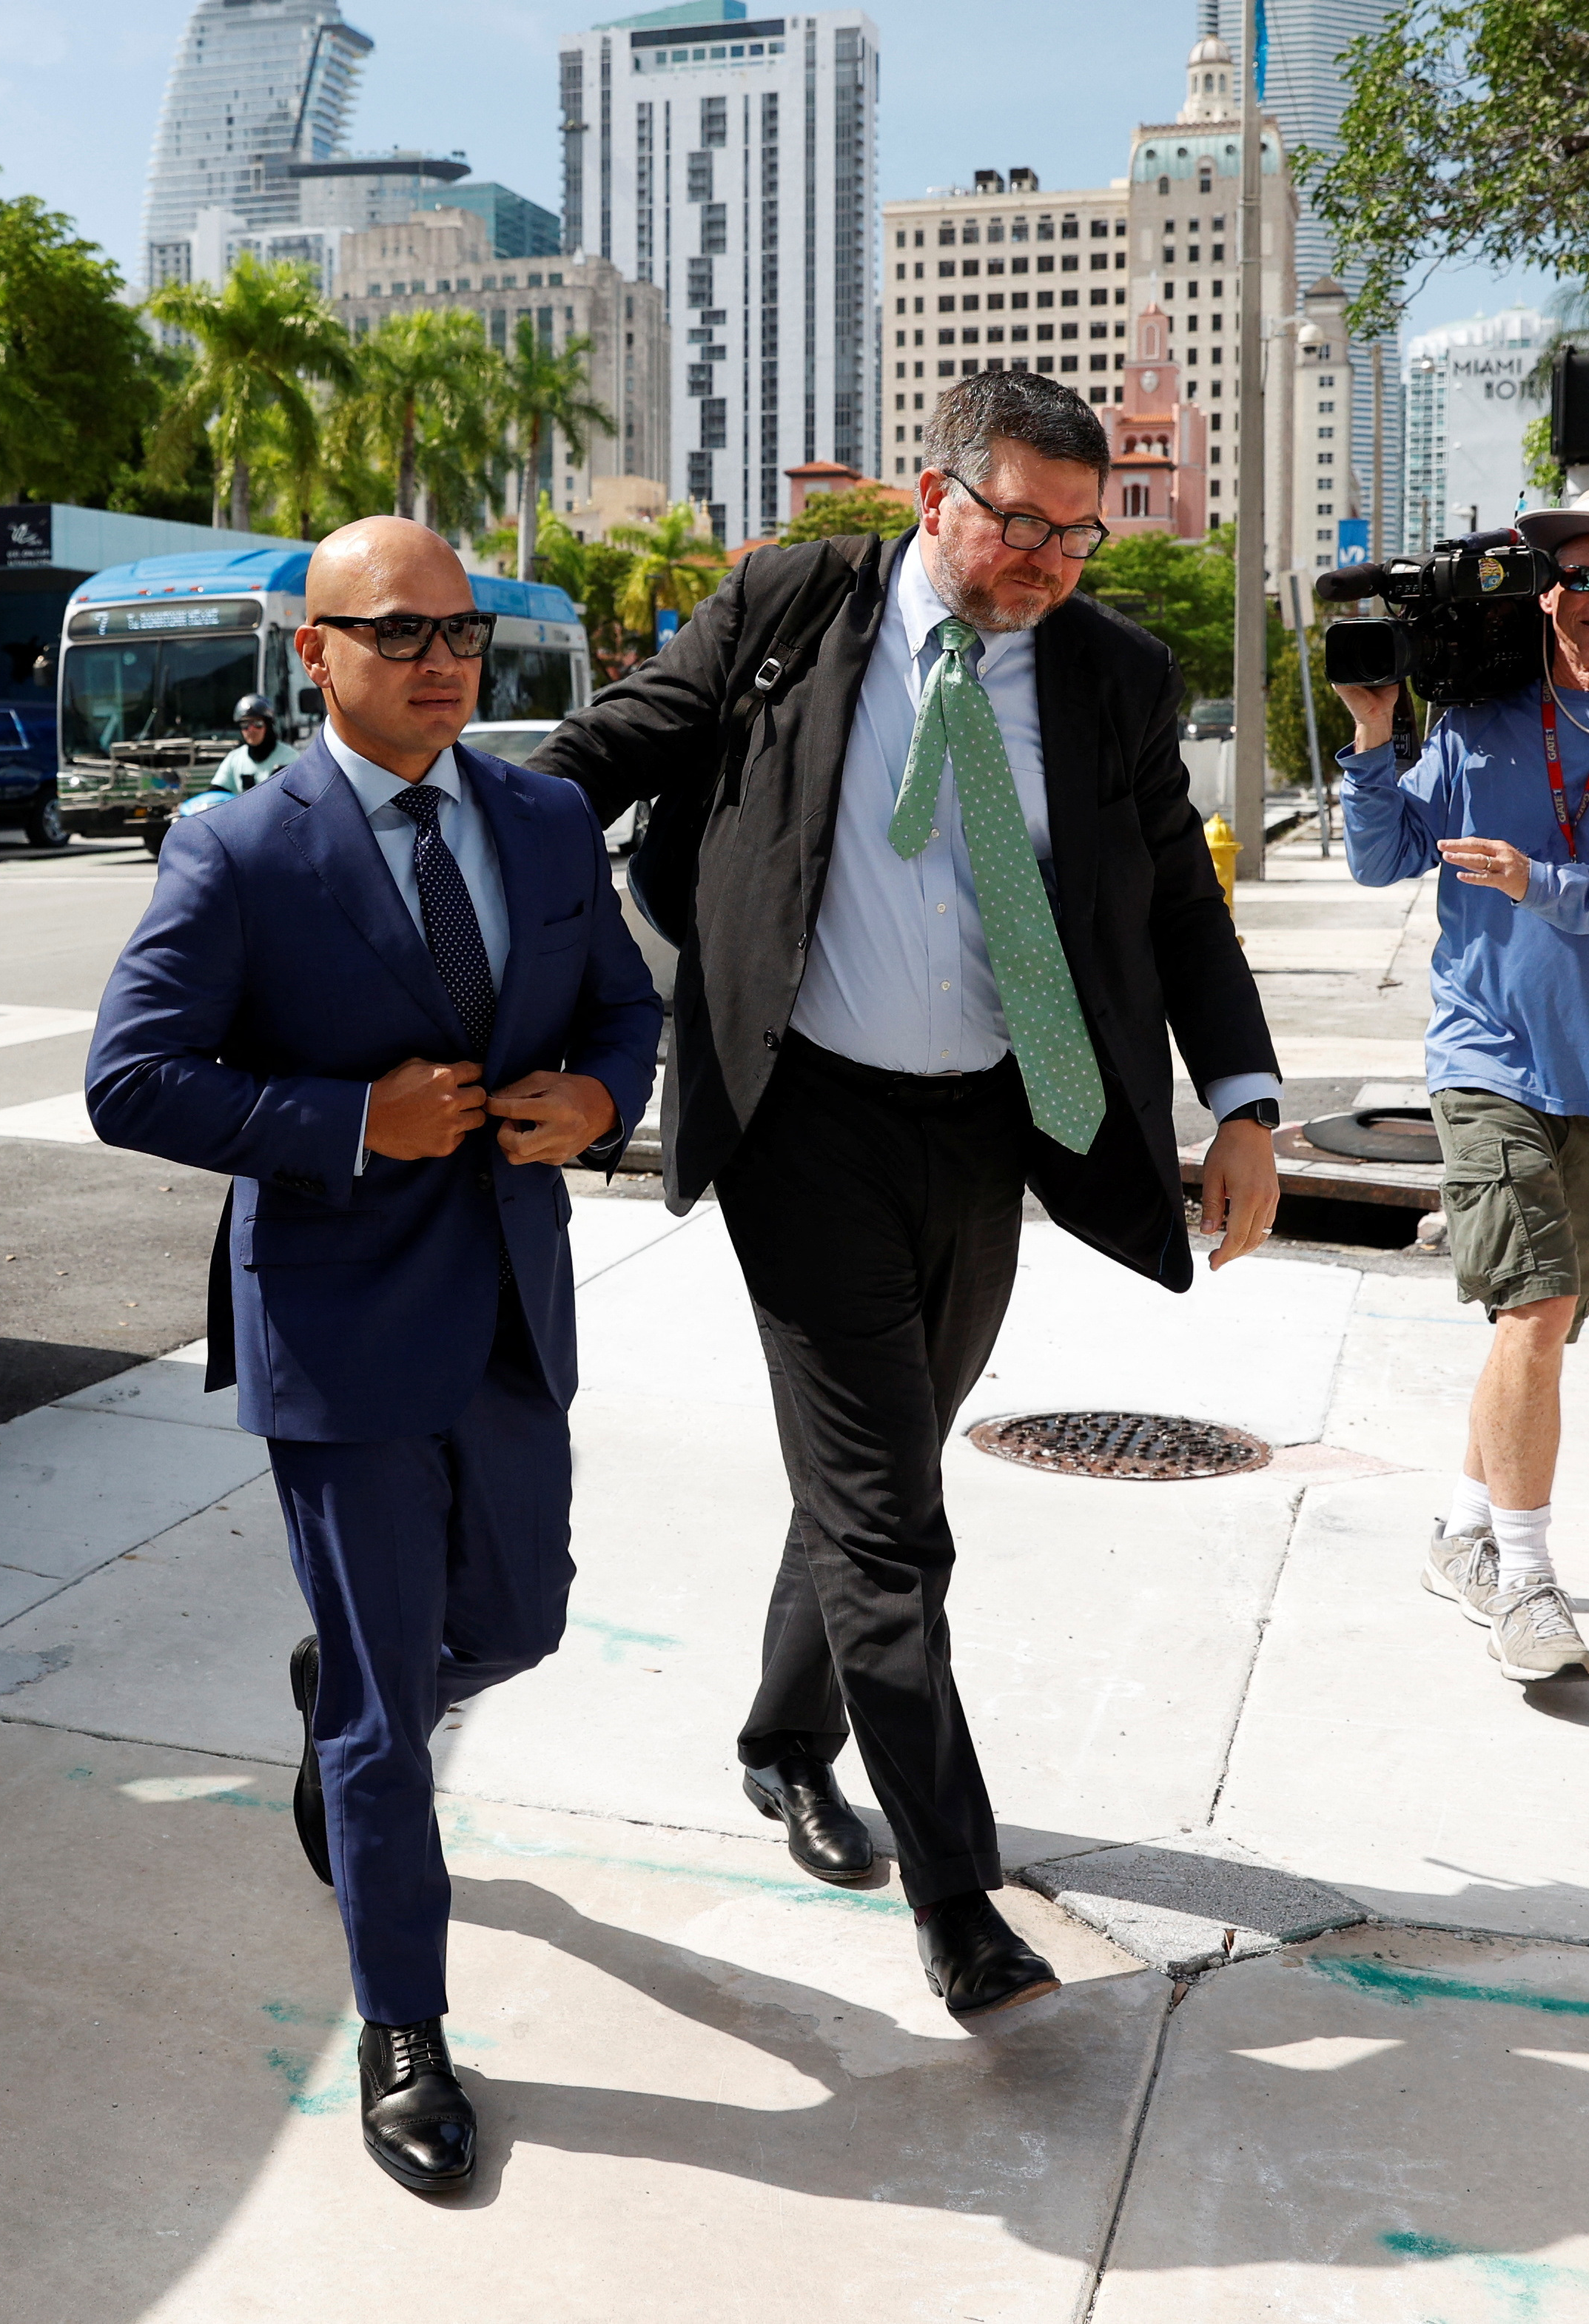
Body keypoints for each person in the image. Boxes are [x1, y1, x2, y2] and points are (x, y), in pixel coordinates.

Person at [529, 369, 1282, 2022]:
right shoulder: (797, 602)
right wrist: (445, 813)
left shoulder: (1111, 678)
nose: (1047, 561)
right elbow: (632, 736)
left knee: (879, 1456)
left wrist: (1243, 1101)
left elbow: (1173, 898)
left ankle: (786, 1734)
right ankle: (958, 1895)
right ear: (931, 493)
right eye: (1020, 522)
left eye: (1078, 536)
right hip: (799, 1114)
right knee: (891, 1519)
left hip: (994, 1127)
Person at [87, 517, 661, 2197]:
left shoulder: (548, 815)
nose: (437, 658)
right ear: (314, 653)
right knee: (387, 1732)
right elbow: (135, 1078)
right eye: (395, 630)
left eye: (458, 630)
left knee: (518, 1620)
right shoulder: (238, 851)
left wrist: (597, 1099)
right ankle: (401, 2024)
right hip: (335, 1327)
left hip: (503, 1304)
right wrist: (351, 1119)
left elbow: (619, 1008)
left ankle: (347, 1686)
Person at [1331, 492, 1589, 1685]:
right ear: (1538, 593)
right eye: (1572, 579)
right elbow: (1379, 859)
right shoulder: (1474, 723)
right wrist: (1373, 733)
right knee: (1532, 1313)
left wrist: (1546, 882)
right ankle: (1525, 1579)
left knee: (1542, 1328)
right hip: (1483, 1059)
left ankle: (1458, 1535)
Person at [207, 693, 296, 794]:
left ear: (269, 726)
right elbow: (214, 794)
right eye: (245, 725)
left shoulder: (291, 758)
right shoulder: (234, 759)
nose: (251, 730)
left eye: (257, 724)